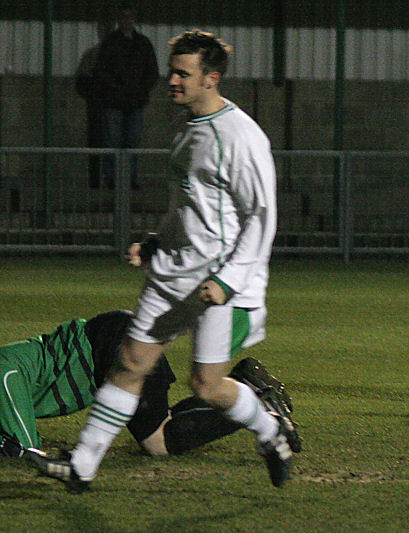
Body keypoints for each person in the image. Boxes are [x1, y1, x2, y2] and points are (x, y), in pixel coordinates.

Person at [28, 30, 286, 493]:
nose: (171, 80)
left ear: (212, 78)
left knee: (206, 385)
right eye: (171, 70)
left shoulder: (240, 136)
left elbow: (261, 218)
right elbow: (189, 209)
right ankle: (83, 466)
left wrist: (227, 281)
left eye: (182, 73)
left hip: (217, 282)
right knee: (130, 362)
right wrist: (155, 242)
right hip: (174, 273)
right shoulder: (188, 130)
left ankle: (269, 430)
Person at [2, 310, 300, 460]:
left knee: (158, 442)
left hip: (108, 345)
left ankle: (257, 402)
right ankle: (244, 386)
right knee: (161, 428)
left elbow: (22, 448)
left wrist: (17, 448)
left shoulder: (3, 373)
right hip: (107, 341)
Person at [93, 2, 159, 189]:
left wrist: (140, 90)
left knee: (132, 143)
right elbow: (100, 71)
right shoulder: (111, 43)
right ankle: (113, 179)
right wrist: (116, 88)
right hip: (115, 102)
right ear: (118, 20)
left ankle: (129, 179)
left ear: (134, 20)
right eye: (123, 18)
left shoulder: (143, 43)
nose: (126, 21)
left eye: (129, 17)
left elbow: (152, 72)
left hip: (134, 102)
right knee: (113, 143)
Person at [75, 21, 113, 188]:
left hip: (112, 106)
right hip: (98, 107)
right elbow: (81, 82)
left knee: (112, 143)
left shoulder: (111, 55)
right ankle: (97, 180)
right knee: (98, 142)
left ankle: (110, 180)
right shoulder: (92, 55)